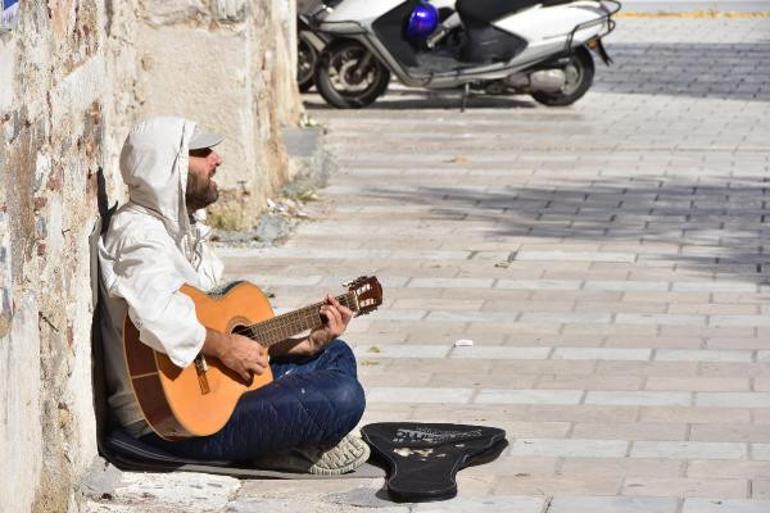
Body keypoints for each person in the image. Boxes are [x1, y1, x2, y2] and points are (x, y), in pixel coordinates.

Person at [98, 116, 368, 474]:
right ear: (168, 167)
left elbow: (227, 342)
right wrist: (223, 346)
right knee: (344, 397)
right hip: (173, 426)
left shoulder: (175, 231)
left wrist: (305, 344)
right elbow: (155, 315)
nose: (217, 160)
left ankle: (282, 445)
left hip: (210, 398)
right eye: (202, 152)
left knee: (335, 354)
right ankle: (285, 445)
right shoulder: (139, 236)